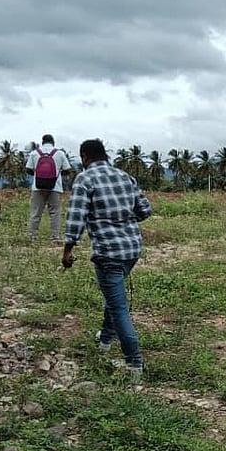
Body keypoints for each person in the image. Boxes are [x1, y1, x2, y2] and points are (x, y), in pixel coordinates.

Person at [62, 139, 153, 380]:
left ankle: (134, 364)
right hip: (132, 250)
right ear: (105, 155)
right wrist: (123, 219)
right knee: (113, 298)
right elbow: (144, 210)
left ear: (84, 157)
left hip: (108, 252)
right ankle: (105, 340)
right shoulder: (125, 177)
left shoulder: (85, 179)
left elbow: (75, 217)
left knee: (117, 306)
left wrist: (67, 250)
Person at [26, 134, 73, 243]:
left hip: (37, 187)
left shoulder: (34, 153)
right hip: (55, 187)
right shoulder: (60, 153)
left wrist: (39, 174)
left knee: (35, 213)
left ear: (42, 142)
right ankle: (54, 238)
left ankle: (32, 237)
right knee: (55, 213)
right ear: (53, 142)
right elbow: (67, 170)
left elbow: (28, 169)